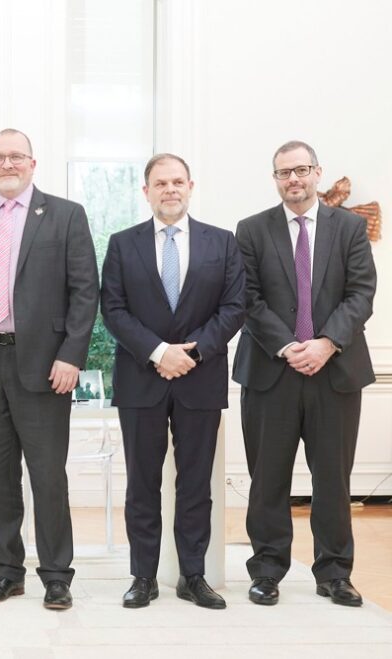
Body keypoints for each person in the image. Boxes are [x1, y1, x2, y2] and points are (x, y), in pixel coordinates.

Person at [0, 128, 99, 611]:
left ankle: (56, 575)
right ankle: (7, 572)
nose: (7, 164)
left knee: (48, 476)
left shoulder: (66, 215)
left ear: (33, 163)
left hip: (46, 365)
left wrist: (72, 355)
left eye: (16, 156)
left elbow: (85, 292)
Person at [233, 140, 376, 608]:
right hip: (270, 371)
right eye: (283, 173)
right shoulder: (251, 230)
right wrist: (288, 346)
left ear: (317, 172)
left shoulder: (350, 228)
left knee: (333, 479)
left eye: (300, 170)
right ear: (275, 179)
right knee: (267, 479)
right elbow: (247, 297)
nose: (293, 179)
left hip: (335, 372)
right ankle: (267, 570)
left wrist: (326, 343)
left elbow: (361, 294)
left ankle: (334, 573)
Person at [100, 153, 245, 609]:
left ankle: (193, 576)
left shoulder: (222, 242)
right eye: (160, 183)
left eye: (177, 182)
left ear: (190, 187)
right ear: (146, 191)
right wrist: (159, 352)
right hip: (140, 378)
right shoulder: (122, 244)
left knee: (196, 484)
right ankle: (143, 577)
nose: (170, 189)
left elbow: (234, 307)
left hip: (200, 379)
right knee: (142, 483)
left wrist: (192, 353)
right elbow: (113, 309)